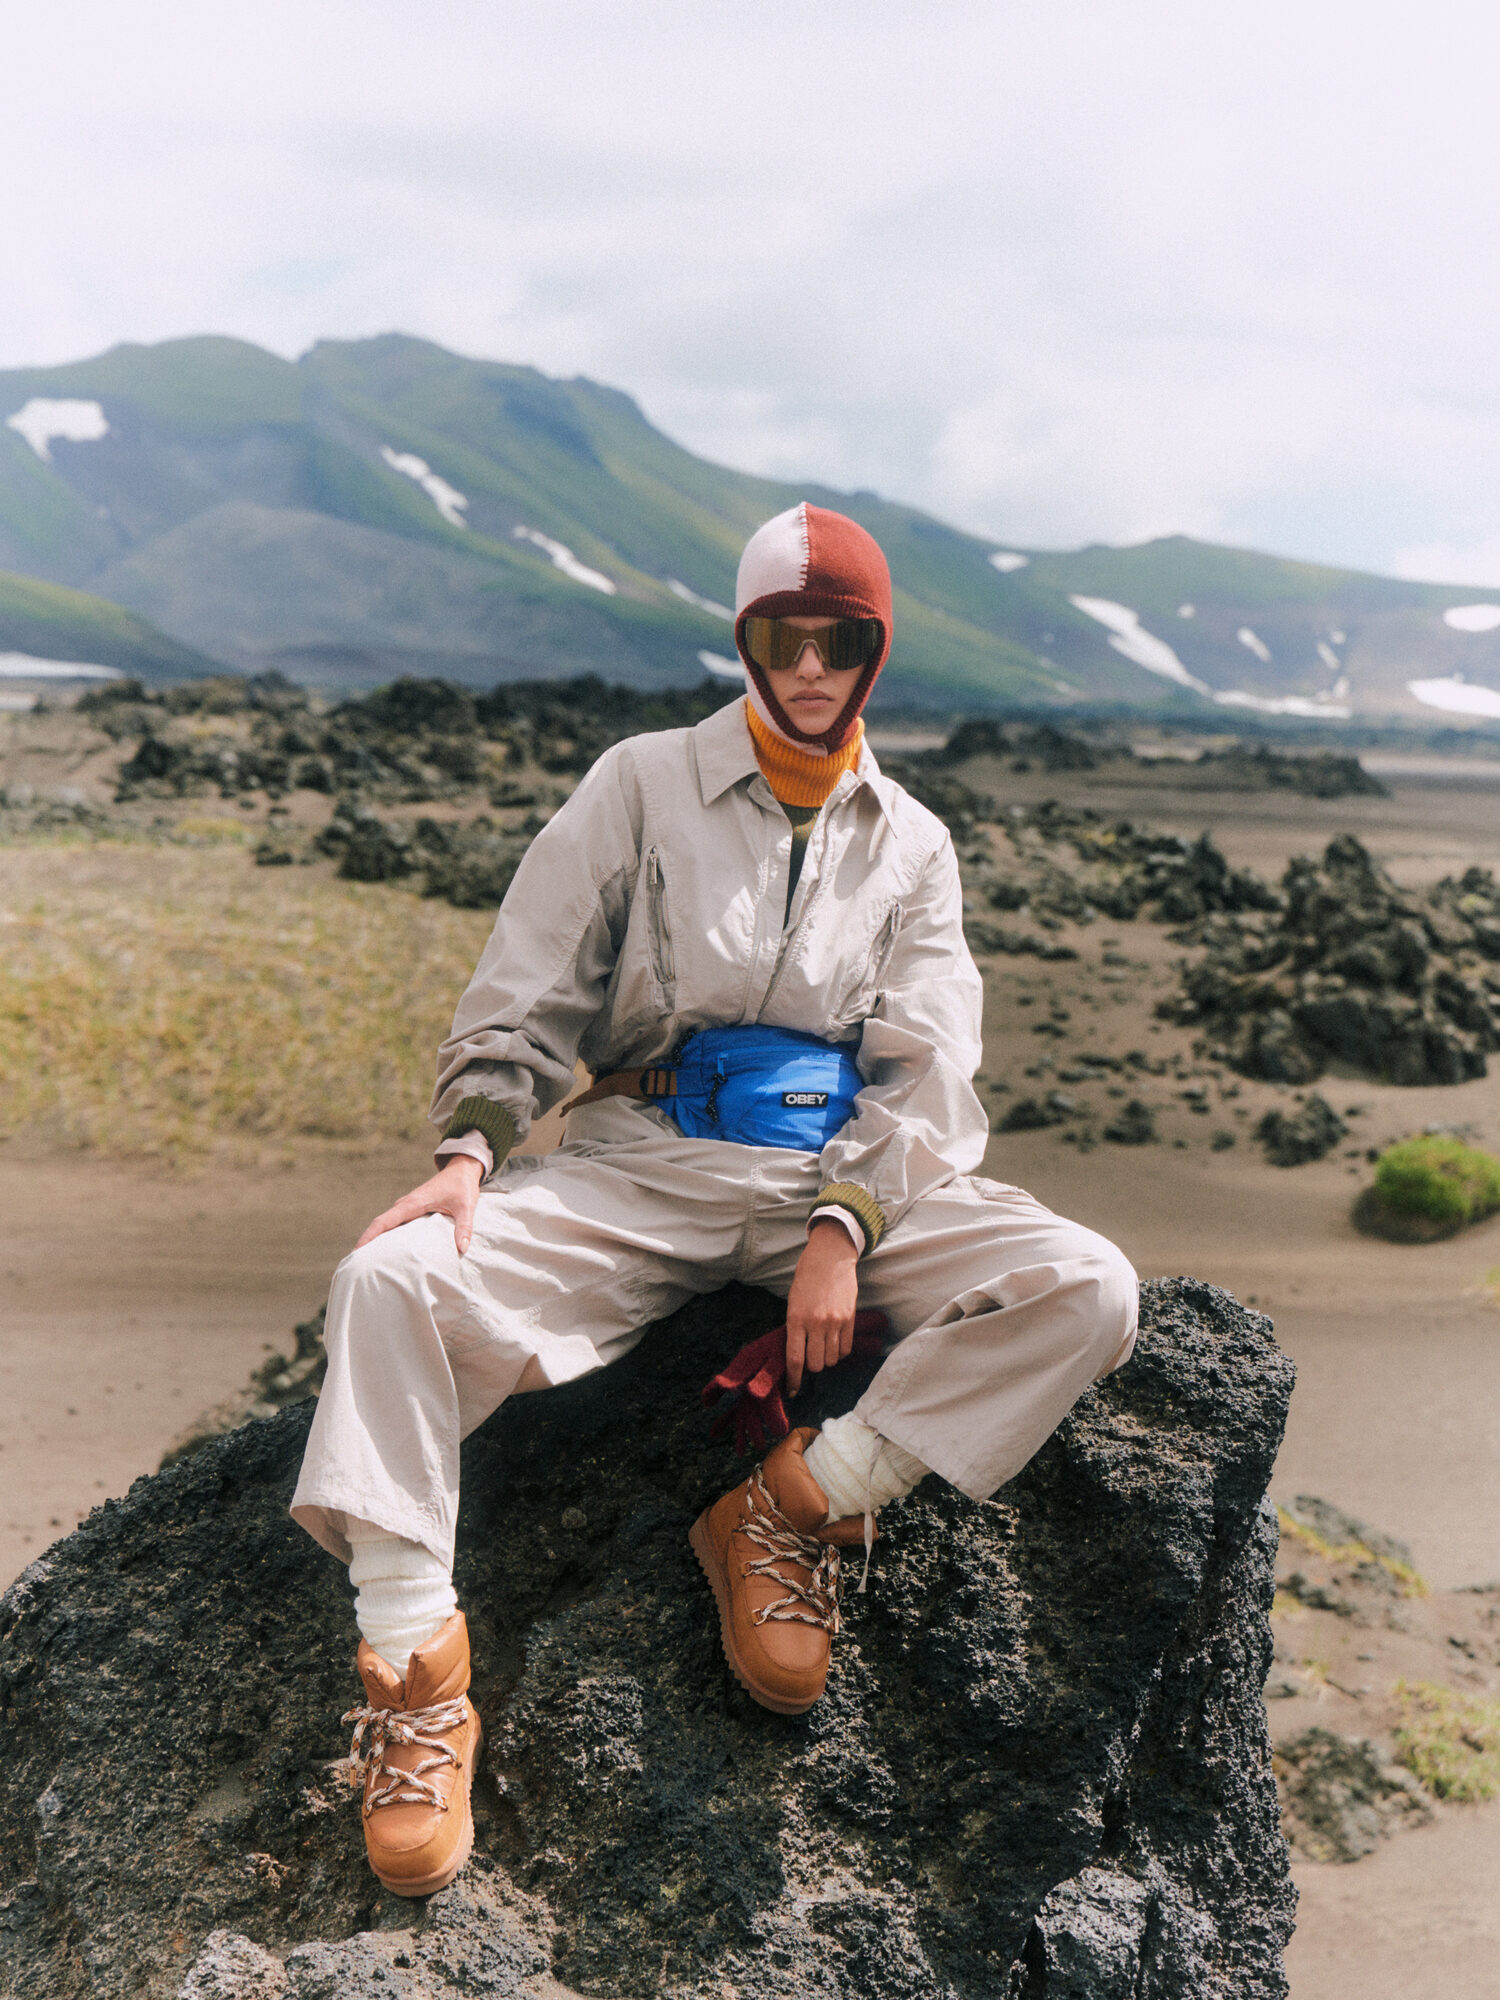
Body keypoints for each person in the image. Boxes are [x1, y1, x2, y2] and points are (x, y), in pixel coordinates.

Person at [291, 501, 1139, 1897]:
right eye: (781, 638)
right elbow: (527, 985)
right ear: (745, 642)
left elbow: (931, 1071)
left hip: (838, 1179)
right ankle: (416, 1681)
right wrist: (470, 1151)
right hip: (640, 1168)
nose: (809, 667)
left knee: (1087, 1286)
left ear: (874, 652)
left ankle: (795, 1507)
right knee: (389, 1278)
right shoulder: (638, 783)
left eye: (838, 642)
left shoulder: (914, 843)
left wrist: (843, 1228)